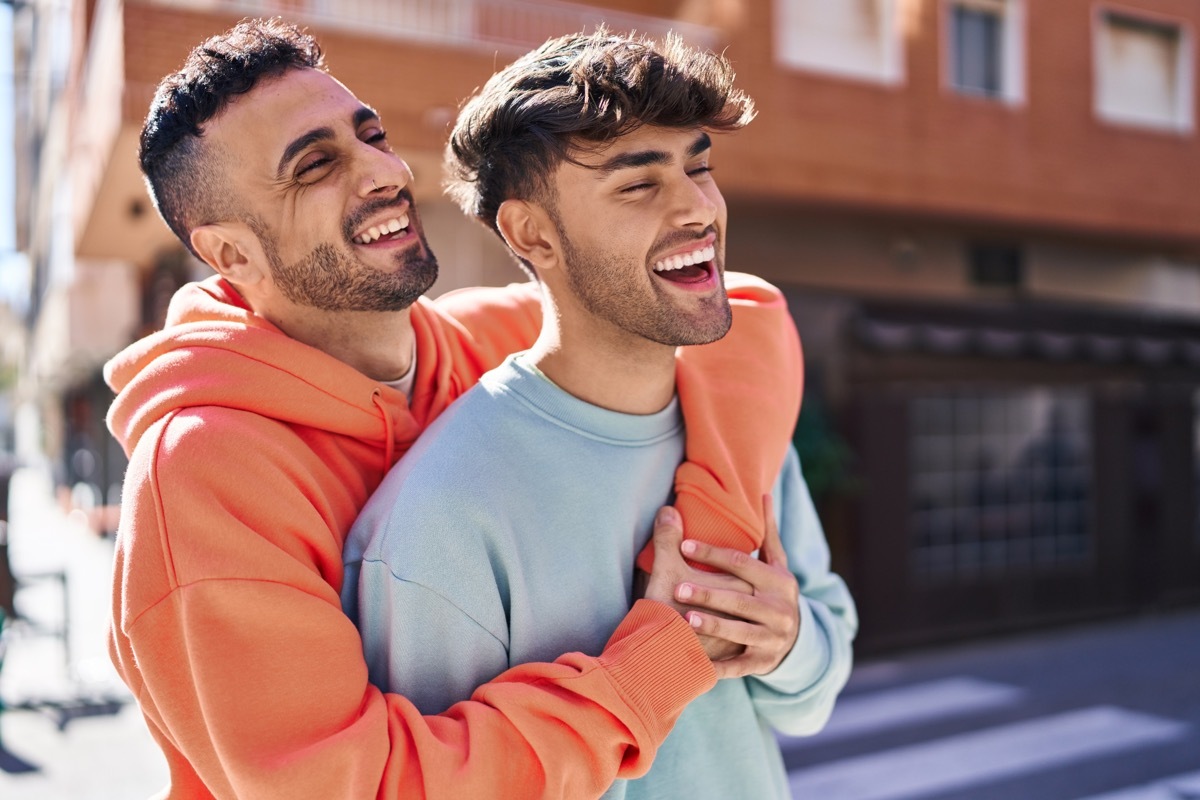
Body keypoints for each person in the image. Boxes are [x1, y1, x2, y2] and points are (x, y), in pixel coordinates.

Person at [105, 17, 807, 799]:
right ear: (232, 256)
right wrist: (658, 661)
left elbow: (730, 314)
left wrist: (713, 560)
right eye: (315, 165)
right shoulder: (201, 476)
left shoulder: (473, 344)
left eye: (369, 134)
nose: (380, 171)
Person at [344, 29, 857, 800]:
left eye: (699, 167)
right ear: (532, 234)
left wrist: (789, 644)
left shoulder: (735, 422)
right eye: (638, 185)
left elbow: (815, 690)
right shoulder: (443, 517)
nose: (698, 209)